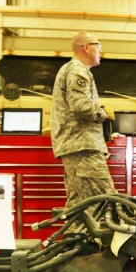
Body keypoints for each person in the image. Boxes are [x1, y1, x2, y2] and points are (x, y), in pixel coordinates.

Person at [51, 31, 115, 211]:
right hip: (83, 148)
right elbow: (81, 105)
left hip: (75, 147)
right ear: (86, 47)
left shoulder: (70, 69)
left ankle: (73, 239)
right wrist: (103, 113)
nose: (101, 52)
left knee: (79, 209)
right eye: (99, 47)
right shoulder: (78, 69)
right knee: (105, 204)